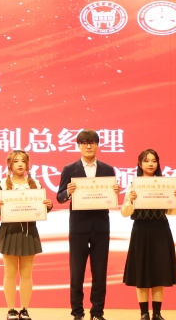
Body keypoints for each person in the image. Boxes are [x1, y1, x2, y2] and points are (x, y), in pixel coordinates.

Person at [57, 129, 120, 320]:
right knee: (77, 272)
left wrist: (115, 191)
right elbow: (59, 197)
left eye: (92, 142)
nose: (88, 146)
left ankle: (97, 313)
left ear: (98, 145)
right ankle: (77, 313)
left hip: (101, 226)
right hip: (79, 227)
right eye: (84, 143)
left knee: (100, 272)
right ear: (78, 146)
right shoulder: (70, 169)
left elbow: (110, 196)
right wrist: (68, 192)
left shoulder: (108, 169)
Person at [0, 150, 53, 320]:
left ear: (27, 164)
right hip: (9, 232)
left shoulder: (35, 184)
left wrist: (48, 205)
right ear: (9, 165)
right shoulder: (2, 184)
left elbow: (41, 209)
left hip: (29, 231)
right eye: (16, 161)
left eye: (23, 161)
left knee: (26, 273)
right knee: (10, 273)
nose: (20, 164)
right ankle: (11, 310)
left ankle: (24, 309)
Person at [121, 149, 176, 320]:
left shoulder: (166, 184)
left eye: (154, 161)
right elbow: (125, 213)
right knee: (141, 273)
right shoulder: (133, 185)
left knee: (158, 272)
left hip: (160, 230)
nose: (150, 164)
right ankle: (144, 314)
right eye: (146, 161)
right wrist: (130, 199)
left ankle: (156, 313)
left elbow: (173, 211)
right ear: (140, 164)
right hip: (141, 231)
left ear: (158, 163)